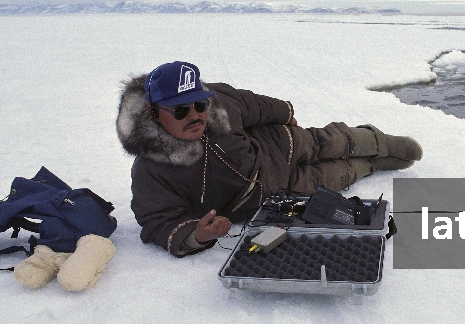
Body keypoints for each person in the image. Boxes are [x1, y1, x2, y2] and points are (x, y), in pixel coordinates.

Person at [116, 61, 422, 257]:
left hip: (277, 144)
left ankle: (379, 141)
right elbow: (157, 222)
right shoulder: (151, 171)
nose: (195, 115)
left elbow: (255, 105)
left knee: (329, 141)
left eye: (198, 104)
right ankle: (372, 164)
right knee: (334, 177)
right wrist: (196, 235)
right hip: (274, 193)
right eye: (180, 110)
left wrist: (286, 114)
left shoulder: (221, 104)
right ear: (153, 114)